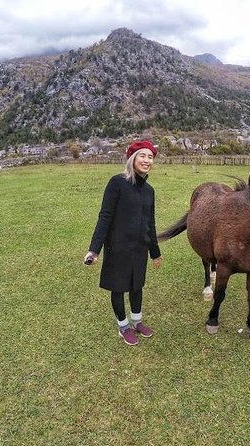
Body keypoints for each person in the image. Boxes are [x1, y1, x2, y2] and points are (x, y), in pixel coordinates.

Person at [84, 140, 163, 346]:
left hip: (140, 248)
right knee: (118, 287)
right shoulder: (117, 183)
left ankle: (137, 322)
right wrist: (94, 250)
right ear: (132, 158)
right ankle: (124, 326)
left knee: (137, 286)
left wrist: (154, 252)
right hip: (118, 247)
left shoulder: (149, 191)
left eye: (150, 157)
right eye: (142, 156)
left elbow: (150, 223)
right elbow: (105, 216)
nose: (147, 160)